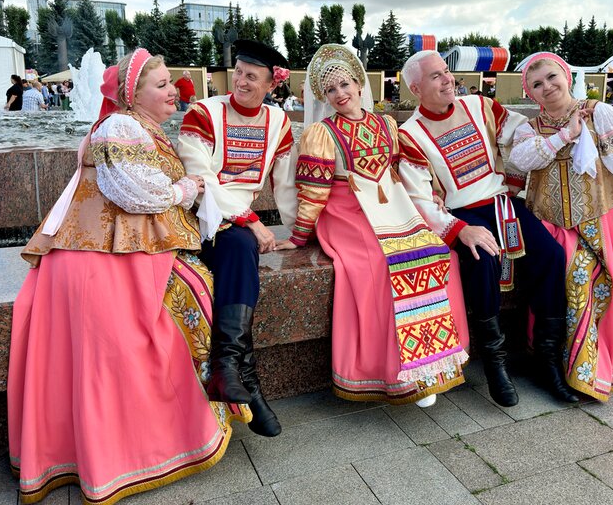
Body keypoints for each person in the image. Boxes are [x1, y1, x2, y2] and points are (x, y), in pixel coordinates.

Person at [8, 48, 250, 505]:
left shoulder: (140, 127)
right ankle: (169, 427)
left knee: (203, 282)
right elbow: (138, 194)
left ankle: (226, 380)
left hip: (116, 248)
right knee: (187, 298)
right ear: (132, 96)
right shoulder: (122, 126)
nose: (173, 92)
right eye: (161, 86)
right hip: (104, 257)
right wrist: (189, 188)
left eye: (170, 84)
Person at [275, 44, 470, 407]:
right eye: (331, 89)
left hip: (391, 204)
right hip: (345, 212)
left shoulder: (386, 123)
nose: (340, 94)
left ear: (360, 84)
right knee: (381, 263)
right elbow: (314, 189)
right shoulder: (321, 132)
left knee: (437, 253)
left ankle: (431, 364)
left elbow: (411, 165)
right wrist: (300, 235)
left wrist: (433, 195)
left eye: (345, 84)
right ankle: (396, 369)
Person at [398, 50, 578, 407]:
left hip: (502, 203)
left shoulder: (481, 106)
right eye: (436, 76)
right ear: (416, 89)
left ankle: (548, 362)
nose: (448, 79)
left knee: (551, 255)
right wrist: (459, 230)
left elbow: (523, 132)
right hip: (463, 213)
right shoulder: (409, 134)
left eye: (447, 72)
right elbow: (419, 196)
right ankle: (496, 364)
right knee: (482, 261)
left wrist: (564, 124)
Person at [510, 52, 613, 401]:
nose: (547, 87)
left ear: (565, 75)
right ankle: (568, 367)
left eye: (551, 77)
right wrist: (565, 136)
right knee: (574, 279)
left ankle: (598, 370)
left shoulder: (600, 113)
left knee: (603, 287)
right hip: (555, 225)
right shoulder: (529, 130)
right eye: (537, 84)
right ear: (530, 93)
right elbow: (522, 160)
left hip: (607, 220)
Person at [177, 39, 298, 437]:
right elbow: (202, 178)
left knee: (240, 246)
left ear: (271, 85)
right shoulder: (203, 113)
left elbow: (285, 184)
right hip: (197, 215)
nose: (242, 82)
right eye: (239, 73)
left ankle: (231, 370)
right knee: (241, 244)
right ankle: (244, 380)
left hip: (236, 226)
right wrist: (250, 220)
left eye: (252, 77)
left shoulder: (279, 123)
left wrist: (297, 231)